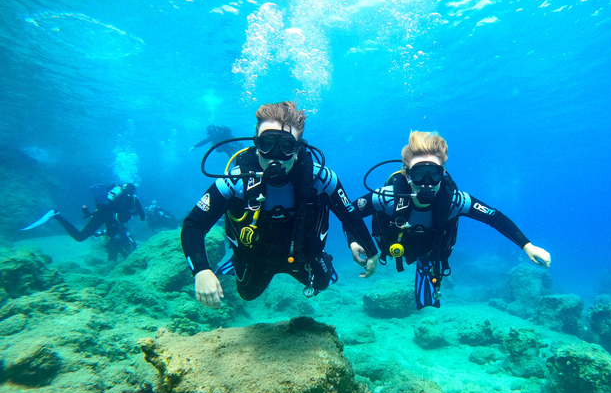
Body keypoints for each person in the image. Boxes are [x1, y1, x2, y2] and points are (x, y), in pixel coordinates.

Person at [181, 101, 379, 309]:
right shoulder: (236, 180)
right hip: (256, 257)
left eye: (286, 146)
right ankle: (236, 262)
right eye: (267, 144)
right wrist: (201, 270)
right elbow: (194, 225)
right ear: (257, 146)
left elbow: (350, 214)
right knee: (247, 294)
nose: (275, 156)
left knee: (322, 282)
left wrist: (370, 250)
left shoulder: (320, 178)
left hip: (302, 255)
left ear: (297, 149)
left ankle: (321, 261)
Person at [348, 131, 551, 310]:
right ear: (407, 175)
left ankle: (428, 266)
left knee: (430, 264)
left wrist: (527, 245)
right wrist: (357, 243)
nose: (426, 183)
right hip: (397, 244)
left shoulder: (455, 200)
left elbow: (494, 217)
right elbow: (349, 213)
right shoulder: (387, 196)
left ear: (443, 174)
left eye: (434, 174)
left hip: (432, 246)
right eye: (419, 174)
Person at [22, 183, 145, 261]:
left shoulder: (115, 190)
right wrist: (134, 213)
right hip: (108, 216)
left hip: (102, 213)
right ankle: (56, 215)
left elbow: (106, 201)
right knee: (83, 237)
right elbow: (142, 216)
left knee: (107, 233)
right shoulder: (133, 199)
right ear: (134, 190)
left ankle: (57, 216)